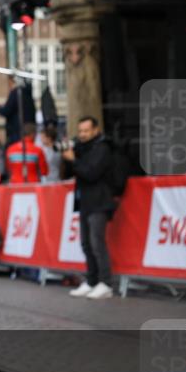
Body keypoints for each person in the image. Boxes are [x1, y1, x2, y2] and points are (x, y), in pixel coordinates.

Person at [63, 116, 117, 300]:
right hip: (85, 201)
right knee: (86, 243)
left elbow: (91, 173)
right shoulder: (82, 148)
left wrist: (74, 160)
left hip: (99, 201)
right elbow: (71, 172)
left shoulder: (103, 148)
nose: (82, 134)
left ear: (95, 130)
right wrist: (68, 158)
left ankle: (106, 283)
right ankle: (92, 281)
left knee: (97, 243)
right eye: (80, 131)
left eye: (86, 131)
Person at [0, 76, 37, 148]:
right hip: (27, 130)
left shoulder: (16, 93)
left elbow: (7, 110)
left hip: (16, 131)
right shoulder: (28, 93)